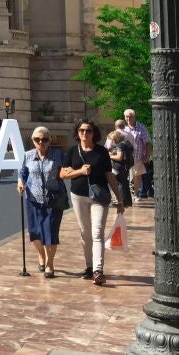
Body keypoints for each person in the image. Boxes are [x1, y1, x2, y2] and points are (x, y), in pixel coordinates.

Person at [60, 119, 125, 286]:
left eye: (88, 130)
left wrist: (119, 199)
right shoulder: (72, 151)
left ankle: (98, 270)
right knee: (85, 232)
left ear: (93, 133)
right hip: (78, 196)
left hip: (99, 197)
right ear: (77, 133)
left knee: (97, 232)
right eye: (81, 130)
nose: (84, 133)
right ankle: (89, 266)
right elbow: (63, 174)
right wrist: (80, 171)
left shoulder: (101, 152)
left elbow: (109, 176)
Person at [17, 127, 66, 278]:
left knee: (50, 232)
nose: (41, 142)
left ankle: (50, 263)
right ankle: (41, 255)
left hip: (53, 199)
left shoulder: (58, 155)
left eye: (44, 139)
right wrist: (20, 182)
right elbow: (23, 171)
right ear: (33, 141)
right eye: (37, 139)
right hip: (33, 199)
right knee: (35, 232)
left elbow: (67, 170)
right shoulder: (28, 155)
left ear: (49, 140)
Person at [123, 109, 151, 199]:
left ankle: (135, 195)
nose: (128, 118)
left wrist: (147, 156)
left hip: (138, 157)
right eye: (126, 116)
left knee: (136, 177)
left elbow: (147, 143)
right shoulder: (123, 128)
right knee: (126, 177)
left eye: (130, 116)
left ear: (134, 117)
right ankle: (127, 195)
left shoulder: (141, 128)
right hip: (125, 158)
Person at [107, 128, 134, 209]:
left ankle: (122, 202)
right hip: (126, 167)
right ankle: (128, 202)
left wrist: (109, 156)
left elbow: (119, 157)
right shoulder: (127, 143)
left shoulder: (119, 145)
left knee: (120, 184)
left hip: (119, 167)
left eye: (112, 140)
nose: (111, 141)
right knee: (124, 184)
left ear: (115, 138)